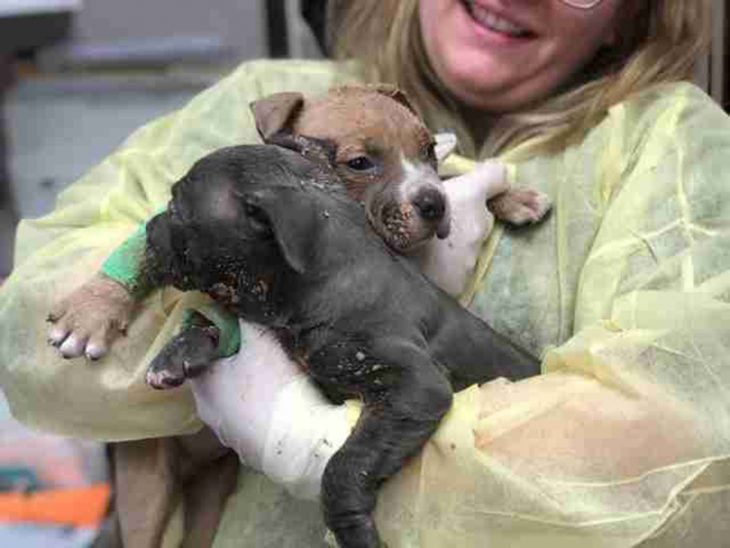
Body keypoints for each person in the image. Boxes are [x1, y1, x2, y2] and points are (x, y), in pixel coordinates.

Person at [0, 0, 727, 546]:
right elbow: (43, 328)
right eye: (356, 164)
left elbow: (684, 447)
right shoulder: (271, 103)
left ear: (632, 16)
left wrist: (305, 439)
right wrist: (226, 347)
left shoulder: (669, 149)